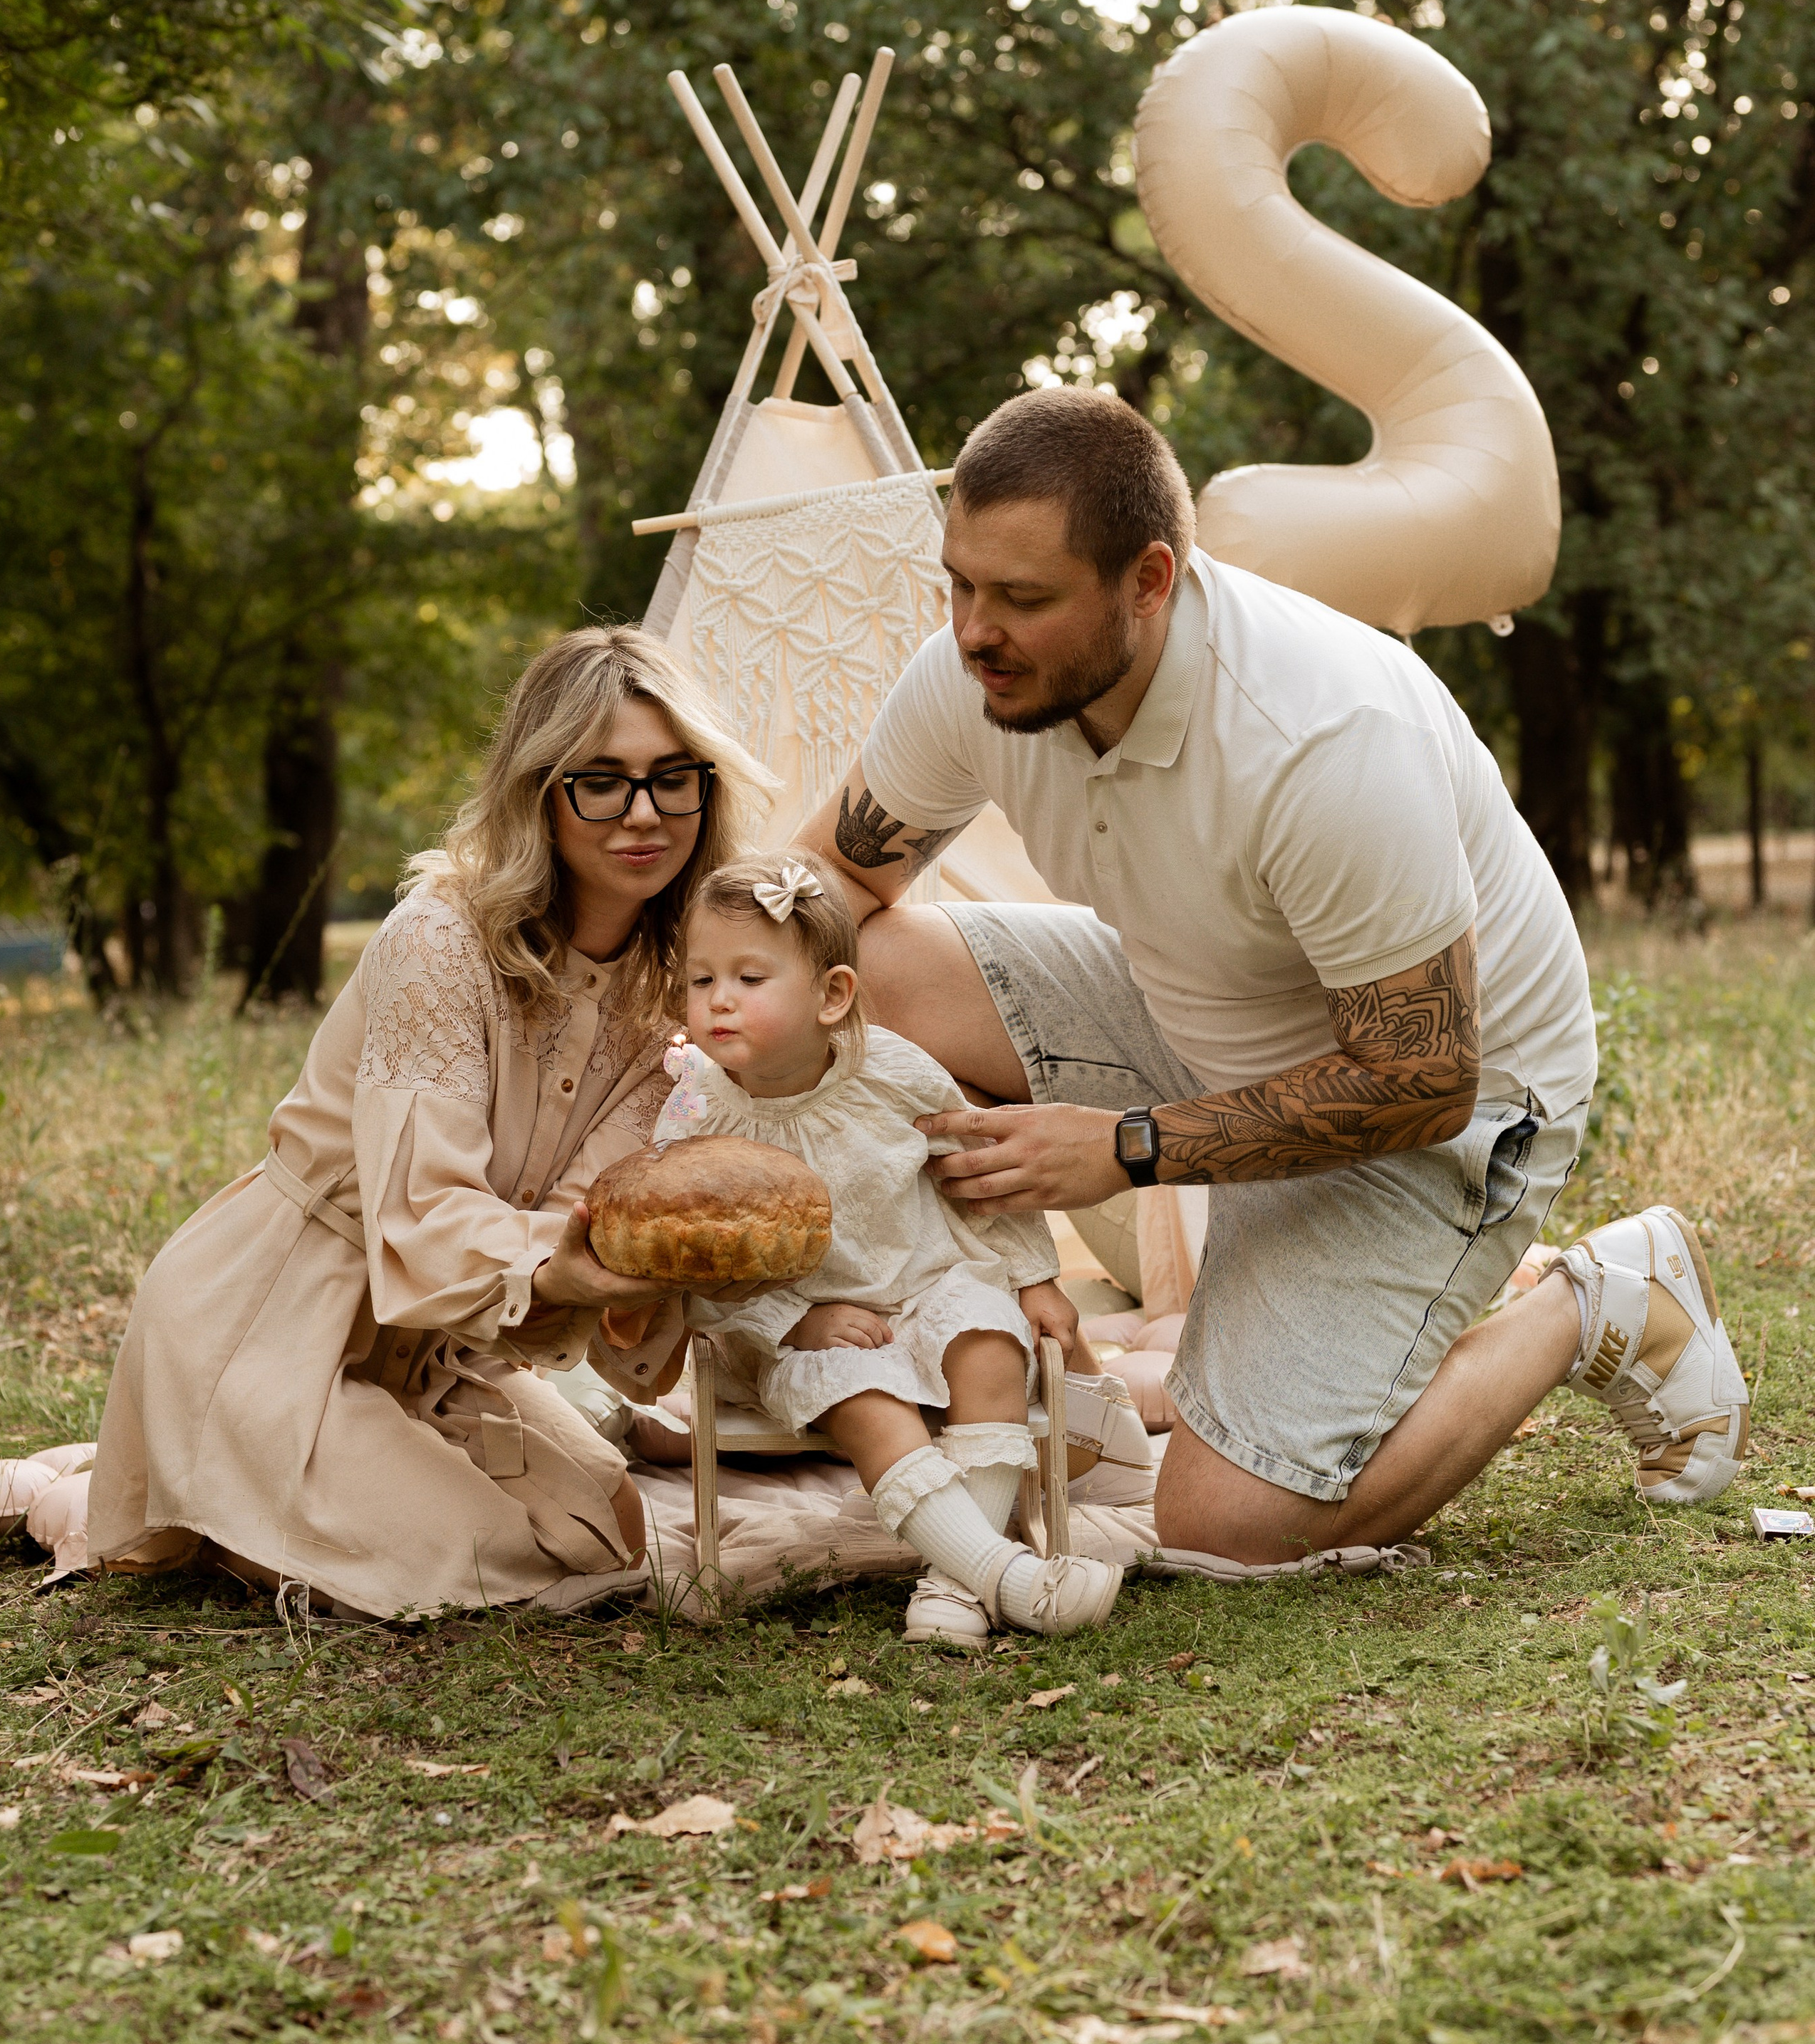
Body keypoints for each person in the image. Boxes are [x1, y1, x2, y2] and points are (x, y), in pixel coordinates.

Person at [796, 392, 1750, 1565]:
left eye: (1025, 598)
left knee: (1227, 1525)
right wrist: (701, 1033)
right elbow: (827, 881)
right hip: (1197, 1005)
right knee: (855, 962)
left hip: (1447, 1107)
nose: (975, 630)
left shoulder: (1323, 737)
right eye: (961, 584)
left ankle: (1594, 1296)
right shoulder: (979, 674)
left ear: (1150, 580)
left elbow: (1420, 1076)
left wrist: (1128, 1145)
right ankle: (931, 1317)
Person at [86, 627, 775, 1620]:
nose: (643, 814)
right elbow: (424, 1214)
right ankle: (169, 1494)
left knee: (608, 1530)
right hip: (281, 1317)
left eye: (675, 778)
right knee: (481, 1564)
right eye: (602, 781)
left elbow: (601, 1216)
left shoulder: (678, 991)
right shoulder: (439, 939)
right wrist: (557, 1268)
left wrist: (640, 1269)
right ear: (541, 792)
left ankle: (245, 1503)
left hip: (446, 1345)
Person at [662, 849, 1126, 1644]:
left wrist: (1036, 1276)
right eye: (701, 980)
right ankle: (1008, 1577)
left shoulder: (895, 1072)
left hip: (932, 1277)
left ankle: (954, 1584)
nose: (719, 1002)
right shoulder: (696, 1112)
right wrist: (792, 1323)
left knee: (989, 1347)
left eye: (749, 978)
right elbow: (694, 1256)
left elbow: (979, 1170)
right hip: (803, 1316)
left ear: (832, 995)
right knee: (869, 1405)